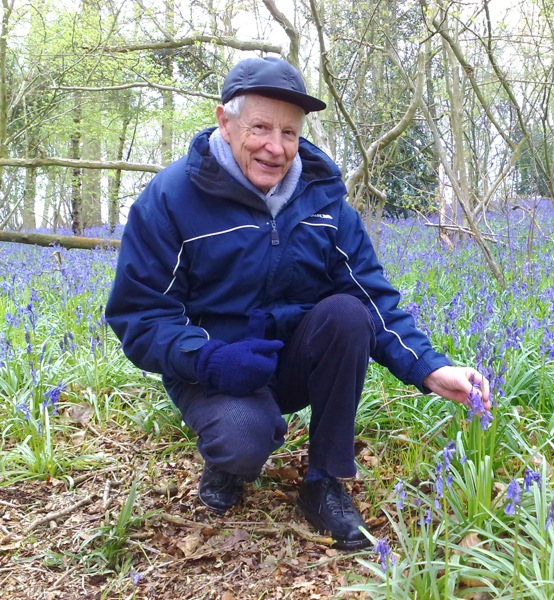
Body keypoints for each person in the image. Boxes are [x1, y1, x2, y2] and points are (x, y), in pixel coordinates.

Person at [105, 56, 491, 550]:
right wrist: (205, 357)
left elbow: (370, 293)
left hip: (290, 361)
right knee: (244, 440)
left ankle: (323, 482)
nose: (276, 146)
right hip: (212, 366)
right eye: (260, 127)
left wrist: (430, 369)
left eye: (289, 132)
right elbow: (139, 313)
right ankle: (229, 463)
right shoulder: (170, 198)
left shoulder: (323, 200)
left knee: (348, 315)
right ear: (225, 122)